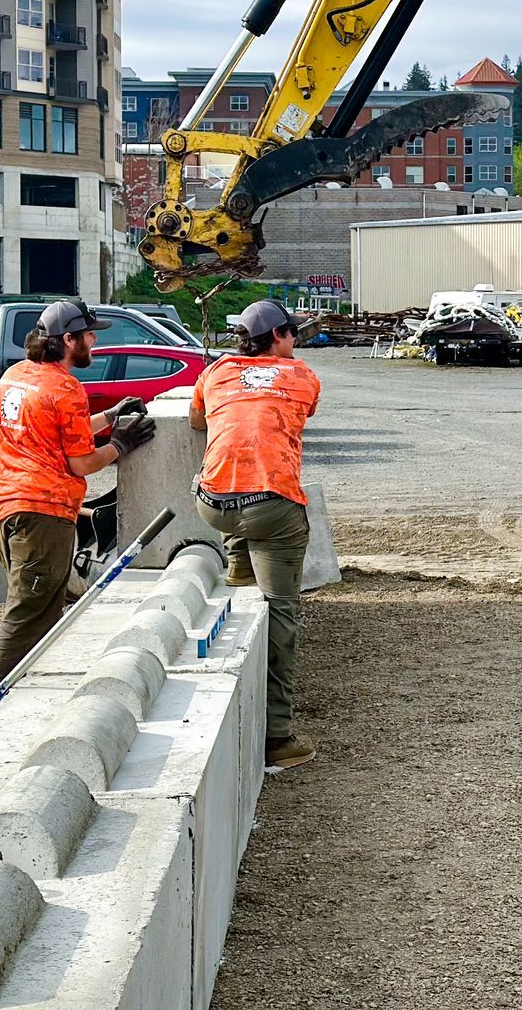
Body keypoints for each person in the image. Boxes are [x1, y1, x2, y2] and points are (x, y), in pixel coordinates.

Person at [0, 299, 156, 686]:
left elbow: (55, 433)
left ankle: (24, 695)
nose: (94, 340)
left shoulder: (16, 377)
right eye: (89, 335)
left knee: (39, 609)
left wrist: (110, 416)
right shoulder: (66, 388)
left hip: (4, 507)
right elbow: (81, 463)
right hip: (42, 515)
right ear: (68, 339)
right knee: (30, 612)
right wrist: (120, 445)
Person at [190, 299, 323, 770]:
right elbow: (288, 421)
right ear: (281, 336)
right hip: (270, 508)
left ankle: (238, 563)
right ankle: (276, 738)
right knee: (283, 615)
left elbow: (198, 423)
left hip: (213, 507)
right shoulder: (302, 376)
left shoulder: (215, 372)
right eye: (292, 334)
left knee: (229, 478)